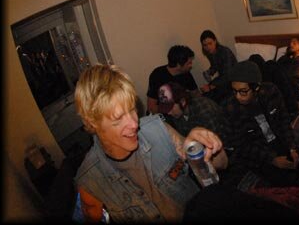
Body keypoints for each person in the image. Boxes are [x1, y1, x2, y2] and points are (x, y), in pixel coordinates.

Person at [74, 64, 226, 221]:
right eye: (118, 119)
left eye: (132, 109)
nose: (134, 124)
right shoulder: (90, 183)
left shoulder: (158, 129)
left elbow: (222, 163)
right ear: (93, 123)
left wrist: (203, 146)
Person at [223, 60, 299, 186]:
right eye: (234, 91)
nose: (238, 96)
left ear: (256, 87)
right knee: (285, 182)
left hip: (278, 139)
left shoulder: (270, 91)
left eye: (243, 91)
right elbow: (241, 145)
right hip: (258, 152)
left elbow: (283, 120)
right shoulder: (230, 109)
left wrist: (292, 147)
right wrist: (272, 159)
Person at [249, 36, 299, 116]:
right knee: (255, 58)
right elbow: (276, 72)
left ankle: (292, 108)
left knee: (270, 64)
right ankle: (254, 96)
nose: (291, 45)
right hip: (279, 83)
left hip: (295, 88)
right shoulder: (284, 58)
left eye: (294, 43)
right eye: (290, 42)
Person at [156, 80, 232, 146]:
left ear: (182, 102)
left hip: (224, 146)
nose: (168, 113)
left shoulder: (204, 109)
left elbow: (215, 142)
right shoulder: (178, 113)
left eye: (171, 108)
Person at [146, 45, 197, 114]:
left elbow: (196, 95)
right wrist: (171, 110)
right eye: (189, 63)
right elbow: (151, 107)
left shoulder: (186, 73)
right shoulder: (158, 75)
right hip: (162, 114)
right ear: (178, 65)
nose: (191, 66)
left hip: (183, 111)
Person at [199, 29, 237, 103]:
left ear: (215, 41)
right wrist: (209, 72)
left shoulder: (225, 51)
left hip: (233, 78)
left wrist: (211, 86)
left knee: (212, 94)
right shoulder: (210, 53)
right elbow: (215, 66)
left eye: (210, 43)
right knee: (205, 93)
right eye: (205, 45)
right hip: (223, 78)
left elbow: (228, 74)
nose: (208, 47)